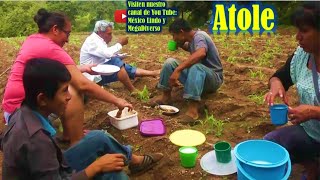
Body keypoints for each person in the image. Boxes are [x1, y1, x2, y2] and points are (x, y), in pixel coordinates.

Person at [1, 58, 163, 179]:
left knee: (98, 137)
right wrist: (94, 167)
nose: (69, 97)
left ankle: (134, 161)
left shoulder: (22, 113)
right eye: (64, 91)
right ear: (42, 99)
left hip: (54, 169)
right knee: (114, 176)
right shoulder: (36, 140)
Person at [1, 9, 133, 145]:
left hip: (13, 111)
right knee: (73, 90)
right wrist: (117, 100)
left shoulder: (34, 39)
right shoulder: (51, 48)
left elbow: (55, 69)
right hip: (24, 117)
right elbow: (83, 84)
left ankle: (67, 135)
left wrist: (82, 69)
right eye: (67, 33)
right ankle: (77, 142)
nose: (68, 40)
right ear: (55, 29)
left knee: (63, 86)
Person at [264, 2, 320, 179]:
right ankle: (312, 164)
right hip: (311, 133)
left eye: (303, 31)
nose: (297, 37)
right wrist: (276, 85)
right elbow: (279, 76)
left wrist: (314, 112)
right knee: (270, 144)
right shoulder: (303, 55)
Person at [151, 18, 223, 124]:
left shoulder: (200, 36)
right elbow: (189, 46)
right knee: (170, 62)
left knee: (196, 66)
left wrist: (178, 70)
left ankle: (193, 111)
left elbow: (201, 53)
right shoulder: (192, 39)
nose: (174, 39)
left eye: (174, 35)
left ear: (181, 32)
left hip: (213, 79)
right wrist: (179, 45)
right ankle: (166, 98)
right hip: (200, 77)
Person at [80, 20, 160, 93]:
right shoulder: (92, 41)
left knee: (120, 64)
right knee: (116, 62)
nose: (111, 37)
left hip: (98, 72)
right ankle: (133, 91)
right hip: (92, 77)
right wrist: (120, 43)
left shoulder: (97, 39)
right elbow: (107, 53)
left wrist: (117, 56)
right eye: (109, 34)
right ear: (100, 32)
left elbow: (104, 55)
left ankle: (152, 73)